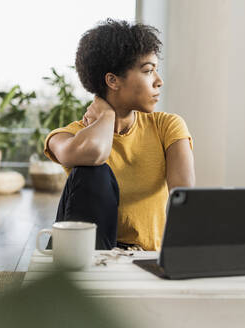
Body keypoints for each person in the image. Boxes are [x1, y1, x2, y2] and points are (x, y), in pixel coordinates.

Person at [44, 19, 195, 251]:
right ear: (112, 80)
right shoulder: (70, 135)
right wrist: (105, 115)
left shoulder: (168, 126)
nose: (158, 81)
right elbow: (95, 153)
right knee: (93, 170)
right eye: (148, 71)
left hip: (143, 257)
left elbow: (184, 200)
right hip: (88, 254)